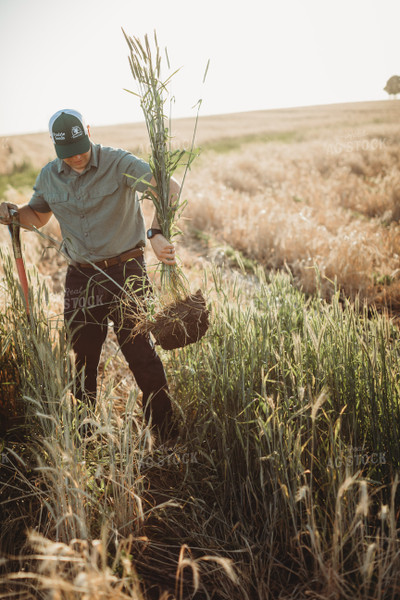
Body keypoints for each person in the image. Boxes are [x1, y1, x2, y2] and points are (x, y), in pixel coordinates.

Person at [0, 109, 180, 441]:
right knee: (83, 358)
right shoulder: (50, 176)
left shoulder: (118, 162)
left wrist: (156, 234)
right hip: (81, 277)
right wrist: (11, 214)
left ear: (88, 131)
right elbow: (36, 217)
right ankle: (87, 430)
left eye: (81, 147)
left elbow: (169, 187)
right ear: (55, 148)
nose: (77, 157)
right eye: (67, 154)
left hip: (127, 272)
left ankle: (164, 429)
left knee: (140, 352)